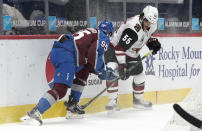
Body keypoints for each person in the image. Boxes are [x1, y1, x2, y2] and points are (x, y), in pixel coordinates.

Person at [20, 20, 116, 125]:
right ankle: (35, 112)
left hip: (65, 51)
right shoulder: (103, 37)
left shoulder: (92, 32)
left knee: (84, 71)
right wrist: (103, 71)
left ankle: (72, 105)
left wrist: (102, 71)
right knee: (60, 89)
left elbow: (90, 62)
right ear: (109, 33)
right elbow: (95, 53)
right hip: (67, 54)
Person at [104, 5, 161, 111]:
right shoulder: (132, 29)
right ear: (142, 16)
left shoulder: (152, 25)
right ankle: (112, 101)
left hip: (131, 52)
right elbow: (120, 48)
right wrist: (122, 65)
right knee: (112, 70)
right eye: (147, 21)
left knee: (140, 76)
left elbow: (145, 36)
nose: (149, 25)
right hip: (114, 49)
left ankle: (137, 100)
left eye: (151, 23)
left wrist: (151, 42)